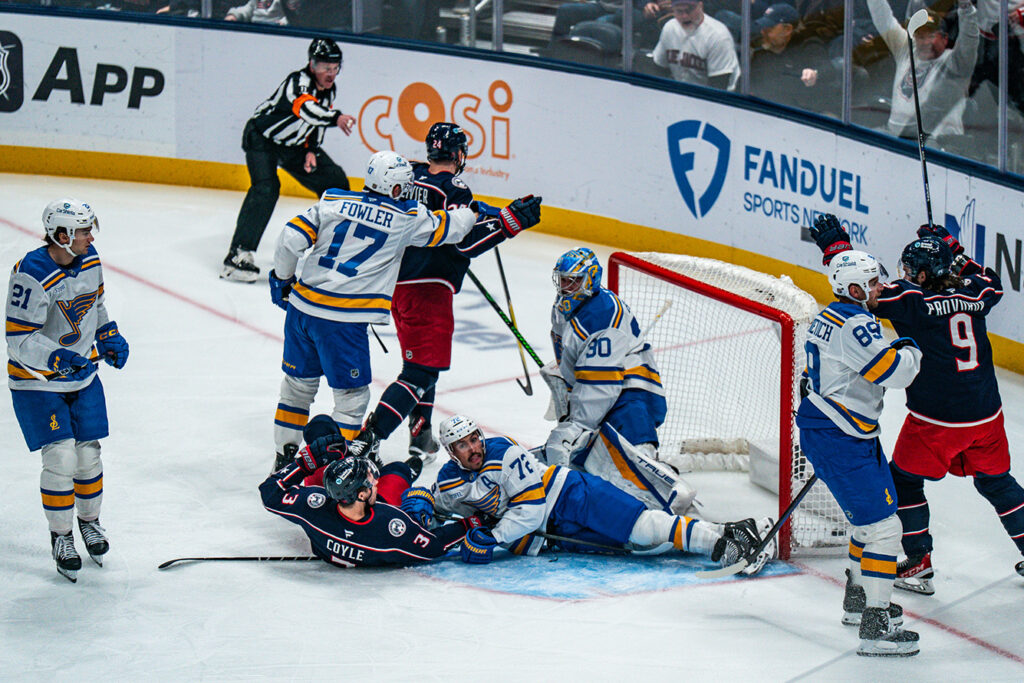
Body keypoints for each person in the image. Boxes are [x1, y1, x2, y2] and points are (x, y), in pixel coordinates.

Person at [268, 149, 540, 472]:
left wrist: (283, 280)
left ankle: (283, 458)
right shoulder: (405, 217)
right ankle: (341, 470)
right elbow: (454, 228)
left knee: (297, 388)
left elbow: (290, 239)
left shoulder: (333, 200)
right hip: (343, 320)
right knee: (352, 399)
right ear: (397, 188)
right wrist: (486, 213)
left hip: (301, 309)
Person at [810, 217, 1024, 595]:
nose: (902, 276)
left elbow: (862, 292)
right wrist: (952, 249)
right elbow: (992, 281)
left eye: (910, 271)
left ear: (922, 276)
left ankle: (918, 561)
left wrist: (836, 249)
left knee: (903, 482)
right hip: (987, 415)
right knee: (996, 481)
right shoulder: (977, 291)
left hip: (937, 422)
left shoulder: (912, 301)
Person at [353, 122, 542, 461]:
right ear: (458, 154)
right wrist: (506, 224)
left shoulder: (408, 175)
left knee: (421, 365)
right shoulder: (454, 188)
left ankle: (421, 435)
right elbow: (464, 241)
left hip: (392, 284)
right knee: (420, 373)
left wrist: (486, 214)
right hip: (428, 289)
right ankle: (369, 439)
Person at [400, 414, 774, 572]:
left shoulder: (503, 453)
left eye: (473, 438)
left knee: (642, 527)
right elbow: (438, 499)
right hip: (554, 532)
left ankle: (722, 544)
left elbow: (530, 510)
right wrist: (420, 505)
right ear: (451, 452)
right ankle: (737, 530)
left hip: (569, 494)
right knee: (638, 546)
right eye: (462, 445)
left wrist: (494, 538)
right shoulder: (451, 477)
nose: (473, 448)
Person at [795, 242, 923, 657]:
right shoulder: (855, 326)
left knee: (869, 523)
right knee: (885, 529)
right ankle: (876, 624)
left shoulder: (830, 315)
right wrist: (912, 345)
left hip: (844, 431)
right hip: (840, 435)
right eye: (872, 282)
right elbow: (895, 373)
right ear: (853, 290)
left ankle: (858, 598)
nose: (880, 286)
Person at [6, 199, 130, 583]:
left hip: (82, 376)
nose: (91, 237)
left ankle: (89, 522)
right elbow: (18, 340)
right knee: (61, 457)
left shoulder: (89, 259)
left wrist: (108, 334)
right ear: (62, 235)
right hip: (37, 382)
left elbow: (96, 305)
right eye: (84, 231)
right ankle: (61, 536)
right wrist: (57, 358)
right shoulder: (31, 274)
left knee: (88, 456)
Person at [540, 247, 703, 519]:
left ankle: (693, 522)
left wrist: (577, 423)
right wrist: (567, 382)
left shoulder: (602, 317)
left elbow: (600, 387)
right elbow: (575, 359)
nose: (566, 287)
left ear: (590, 280)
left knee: (639, 470)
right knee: (598, 464)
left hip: (631, 396)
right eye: (563, 280)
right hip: (604, 390)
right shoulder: (564, 306)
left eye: (574, 281)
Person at [259, 415, 481, 567]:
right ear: (362, 494)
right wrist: (475, 522)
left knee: (320, 426)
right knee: (399, 470)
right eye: (371, 480)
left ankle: (353, 461)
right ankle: (392, 469)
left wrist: (307, 462)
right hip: (376, 511)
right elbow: (435, 544)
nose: (375, 481)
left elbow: (269, 492)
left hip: (339, 513)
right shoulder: (392, 526)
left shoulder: (314, 506)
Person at [221, 38, 357, 283]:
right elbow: (307, 111)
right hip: (262, 140)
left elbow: (315, 123)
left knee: (335, 181)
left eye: (335, 67)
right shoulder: (298, 82)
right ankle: (238, 253)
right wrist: (336, 118)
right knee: (266, 188)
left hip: (295, 146)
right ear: (312, 65)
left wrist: (311, 149)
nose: (331, 73)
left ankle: (331, 249)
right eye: (325, 67)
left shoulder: (329, 89)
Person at [865, 0, 979, 143]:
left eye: (931, 36)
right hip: (895, 137)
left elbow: (969, 39)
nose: (925, 42)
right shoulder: (906, 50)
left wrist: (966, 7)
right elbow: (883, 18)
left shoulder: (956, 63)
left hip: (936, 143)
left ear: (944, 39)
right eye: (920, 36)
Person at [749, 3, 839, 115]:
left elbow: (828, 70)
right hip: (764, 113)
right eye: (763, 28)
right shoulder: (760, 55)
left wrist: (814, 73)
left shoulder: (808, 47)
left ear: (787, 29)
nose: (763, 32)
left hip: (804, 115)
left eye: (769, 29)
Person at [652, 0, 741, 90]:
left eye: (689, 10)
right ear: (673, 10)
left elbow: (719, 85)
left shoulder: (718, 36)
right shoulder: (670, 28)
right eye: (679, 11)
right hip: (681, 91)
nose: (684, 16)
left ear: (700, 6)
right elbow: (659, 70)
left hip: (719, 95)